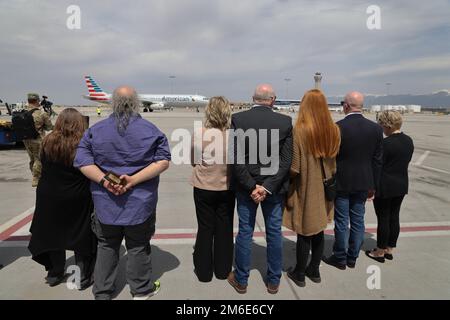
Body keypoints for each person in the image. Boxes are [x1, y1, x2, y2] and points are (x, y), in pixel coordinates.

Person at [74, 86, 171, 300]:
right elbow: (163, 161)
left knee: (107, 246)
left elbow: (82, 161)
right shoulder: (151, 130)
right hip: (140, 202)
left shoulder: (95, 131)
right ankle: (141, 290)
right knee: (138, 246)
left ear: (112, 103)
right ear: (136, 102)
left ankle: (102, 292)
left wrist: (104, 180)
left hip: (105, 202)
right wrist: (134, 180)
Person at [227, 84, 293, 295]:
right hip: (273, 189)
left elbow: (235, 159)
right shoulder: (284, 121)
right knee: (274, 233)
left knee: (245, 232)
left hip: (247, 189)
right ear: (272, 100)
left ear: (253, 98)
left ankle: (241, 280)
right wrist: (267, 187)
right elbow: (286, 161)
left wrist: (251, 186)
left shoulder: (239, 119)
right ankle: (273, 281)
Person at [28, 108, 96, 289]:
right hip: (77, 195)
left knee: (52, 232)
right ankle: (81, 274)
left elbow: (40, 165)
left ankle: (55, 272)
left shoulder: (47, 141)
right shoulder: (84, 143)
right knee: (81, 232)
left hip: (49, 194)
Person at [284, 90, 341, 287]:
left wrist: (287, 183)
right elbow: (333, 161)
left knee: (304, 231)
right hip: (326, 187)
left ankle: (299, 273)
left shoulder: (299, 130)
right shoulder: (334, 129)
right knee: (319, 229)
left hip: (307, 186)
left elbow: (294, 167)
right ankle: (314, 270)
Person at [323, 91, 383, 270]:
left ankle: (340, 257)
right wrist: (374, 185)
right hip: (364, 182)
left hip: (342, 182)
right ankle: (352, 257)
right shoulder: (375, 128)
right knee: (358, 220)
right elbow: (378, 160)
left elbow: (330, 157)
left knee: (341, 221)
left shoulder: (338, 127)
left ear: (346, 105)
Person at [191, 96, 235, 282]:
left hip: (203, 186)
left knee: (205, 228)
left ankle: (203, 272)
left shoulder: (200, 133)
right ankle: (223, 270)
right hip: (226, 187)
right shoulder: (234, 135)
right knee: (224, 228)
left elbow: (193, 160)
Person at [366, 111, 414, 262]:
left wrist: (370, 186)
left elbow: (377, 166)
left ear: (387, 125)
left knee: (383, 218)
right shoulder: (408, 140)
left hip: (385, 186)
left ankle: (379, 251)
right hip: (401, 184)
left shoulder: (385, 144)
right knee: (394, 217)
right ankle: (389, 248)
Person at [22, 93, 54, 187]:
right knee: (38, 159)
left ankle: (34, 174)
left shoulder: (23, 111)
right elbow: (49, 127)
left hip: (26, 139)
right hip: (37, 139)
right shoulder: (41, 113)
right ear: (37, 101)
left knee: (32, 158)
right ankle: (36, 178)